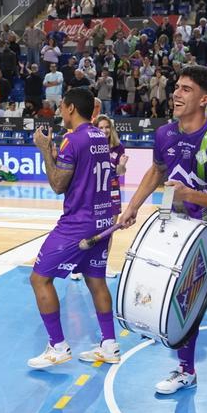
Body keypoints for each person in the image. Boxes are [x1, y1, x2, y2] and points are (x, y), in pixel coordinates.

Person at [117, 65, 207, 413]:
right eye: (176, 87)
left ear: (204, 99)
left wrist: (190, 193)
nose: (176, 93)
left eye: (186, 89)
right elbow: (157, 171)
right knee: (184, 310)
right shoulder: (163, 134)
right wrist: (131, 207)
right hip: (181, 239)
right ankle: (186, 371)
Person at [27, 87, 120, 368]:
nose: (59, 112)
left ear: (70, 108)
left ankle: (58, 346)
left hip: (78, 224)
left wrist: (45, 151)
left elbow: (58, 184)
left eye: (61, 107)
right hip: (103, 220)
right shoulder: (99, 136)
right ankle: (109, 345)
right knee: (96, 280)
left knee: (39, 278)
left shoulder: (73, 139)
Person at [96, 115, 127, 278]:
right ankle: (81, 267)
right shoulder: (91, 145)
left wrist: (121, 165)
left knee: (109, 230)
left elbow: (120, 173)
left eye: (107, 127)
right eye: (100, 127)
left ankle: (103, 265)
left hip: (113, 191)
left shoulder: (118, 147)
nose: (104, 130)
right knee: (90, 229)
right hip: (94, 191)